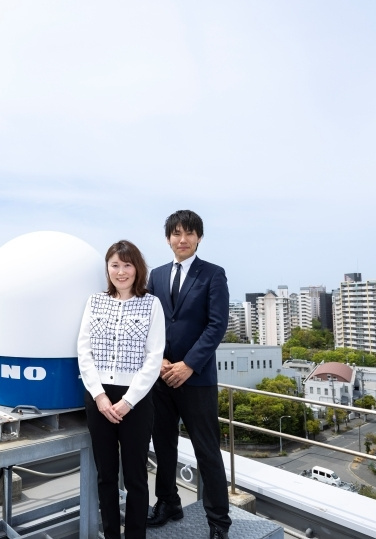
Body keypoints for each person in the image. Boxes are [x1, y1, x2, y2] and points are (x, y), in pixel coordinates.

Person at [146, 210, 232, 539]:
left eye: (189, 233)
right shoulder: (156, 274)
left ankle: (218, 523)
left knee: (206, 451)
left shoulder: (213, 274)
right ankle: (168, 502)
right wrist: (161, 362)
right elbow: (151, 324)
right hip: (162, 377)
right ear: (168, 238)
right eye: (176, 233)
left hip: (196, 379)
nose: (182, 239)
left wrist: (188, 364)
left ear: (199, 238)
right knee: (162, 444)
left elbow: (216, 325)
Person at [76, 240, 165, 539]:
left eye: (127, 265)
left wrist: (127, 401)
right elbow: (83, 350)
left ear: (137, 268)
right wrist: (100, 396)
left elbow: (154, 358)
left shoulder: (151, 304)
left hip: (136, 399)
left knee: (136, 476)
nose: (121, 271)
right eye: (115, 265)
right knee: (106, 476)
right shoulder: (95, 301)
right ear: (108, 268)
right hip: (99, 397)